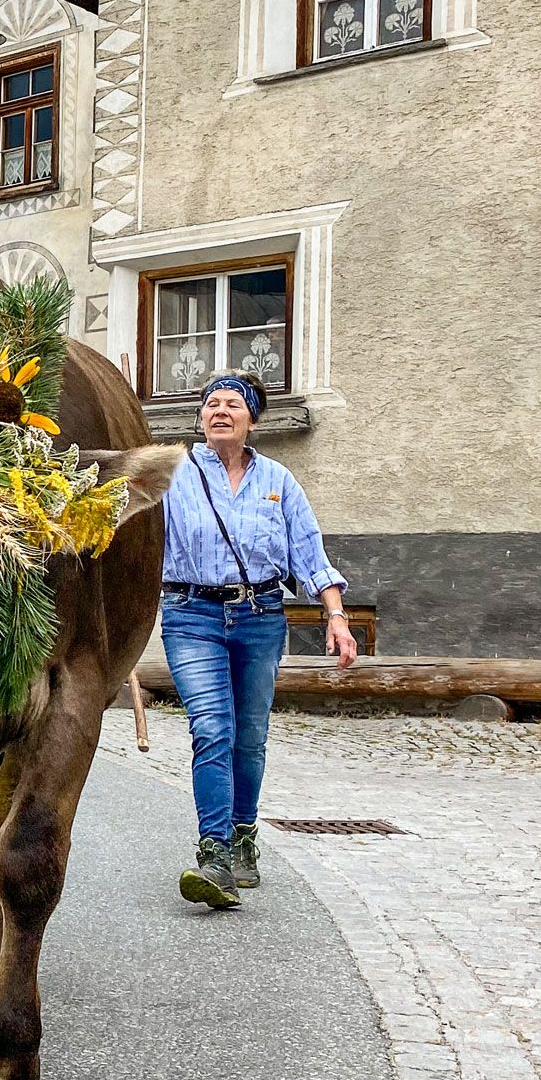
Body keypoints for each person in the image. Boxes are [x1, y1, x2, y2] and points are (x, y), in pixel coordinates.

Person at [160, 370, 357, 911]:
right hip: (190, 614)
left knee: (249, 735)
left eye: (232, 404)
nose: (220, 411)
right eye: (211, 404)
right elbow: (133, 538)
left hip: (260, 615)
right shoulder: (175, 474)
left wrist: (336, 617)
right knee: (211, 729)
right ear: (201, 416)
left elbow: (310, 553)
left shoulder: (278, 480)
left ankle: (244, 836)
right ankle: (215, 852)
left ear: (253, 419)